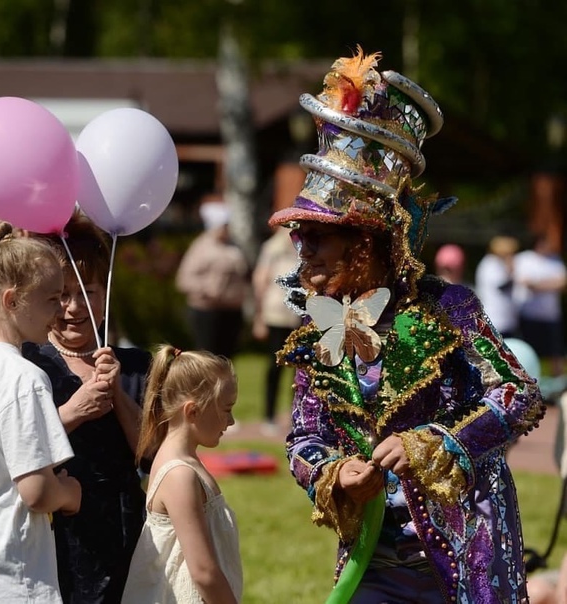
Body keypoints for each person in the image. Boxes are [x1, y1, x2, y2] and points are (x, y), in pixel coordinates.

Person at [268, 47, 545, 603]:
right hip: (374, 561)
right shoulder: (313, 332)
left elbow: (519, 396)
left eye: (320, 237)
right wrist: (335, 472)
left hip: (468, 557)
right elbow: (303, 438)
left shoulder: (449, 307)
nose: (305, 252)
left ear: (366, 242)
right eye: (301, 237)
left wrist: (434, 442)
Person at [22, 210, 152, 604]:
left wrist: (116, 394)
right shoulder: (30, 364)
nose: (73, 308)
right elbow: (16, 449)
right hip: (56, 521)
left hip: (125, 521)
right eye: (61, 295)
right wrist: (73, 413)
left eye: (87, 293)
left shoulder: (135, 365)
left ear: (105, 296)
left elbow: (149, 455)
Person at [0, 222, 82, 603]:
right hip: (15, 578)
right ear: (12, 301)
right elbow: (37, 492)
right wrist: (69, 492)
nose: (61, 309)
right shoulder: (23, 376)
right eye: (51, 299)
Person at [122, 345, 242, 604]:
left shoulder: (184, 463)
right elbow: (203, 571)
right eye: (226, 408)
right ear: (193, 411)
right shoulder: (179, 474)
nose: (231, 421)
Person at [175, 196, 249, 358]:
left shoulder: (234, 245)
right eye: (223, 226)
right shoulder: (201, 246)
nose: (226, 229)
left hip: (231, 309)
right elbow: (184, 279)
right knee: (207, 355)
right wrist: (206, 289)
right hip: (207, 310)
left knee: (227, 357)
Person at [252, 227, 301, 432]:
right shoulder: (273, 247)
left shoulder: (304, 245)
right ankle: (269, 415)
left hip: (299, 315)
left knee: (299, 368)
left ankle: (296, 414)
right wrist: (259, 316)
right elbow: (260, 280)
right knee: (275, 367)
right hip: (276, 314)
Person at [513, 234, 567, 377]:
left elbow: (562, 282)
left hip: (551, 316)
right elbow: (525, 282)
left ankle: (558, 387)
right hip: (530, 315)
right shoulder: (525, 259)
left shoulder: (555, 260)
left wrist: (539, 284)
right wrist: (550, 284)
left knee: (556, 355)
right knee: (528, 353)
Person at [475, 235, 520, 338]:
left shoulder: (499, 264)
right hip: (495, 320)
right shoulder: (490, 263)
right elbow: (502, 286)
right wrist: (510, 270)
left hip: (507, 321)